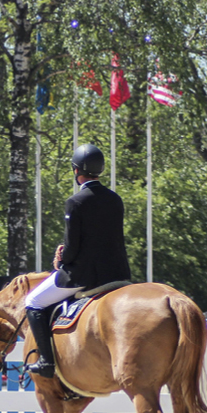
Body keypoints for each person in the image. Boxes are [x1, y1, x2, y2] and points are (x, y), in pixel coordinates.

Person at [24, 144, 131, 378]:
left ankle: (46, 362)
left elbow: (73, 247)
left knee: (33, 301)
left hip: (86, 276)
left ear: (76, 171)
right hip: (117, 274)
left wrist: (62, 261)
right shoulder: (115, 200)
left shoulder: (76, 202)